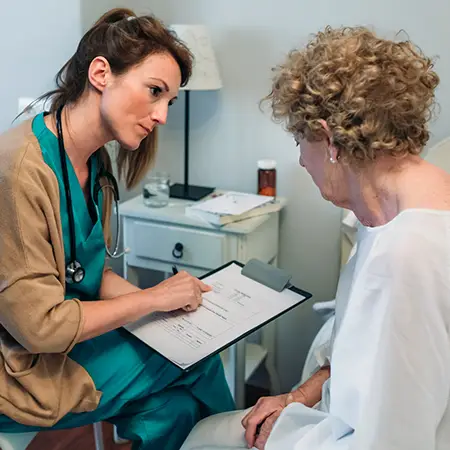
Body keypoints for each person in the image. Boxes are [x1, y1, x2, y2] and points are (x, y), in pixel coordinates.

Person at [180, 26, 450, 450]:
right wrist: (300, 396)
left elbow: (395, 439)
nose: (301, 160)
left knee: (202, 437)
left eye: (299, 139)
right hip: (341, 417)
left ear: (329, 140)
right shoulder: (398, 212)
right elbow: (368, 363)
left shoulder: (406, 254)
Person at [0, 8, 234, 450]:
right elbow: (41, 328)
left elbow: (86, 272)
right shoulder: (19, 171)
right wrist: (152, 300)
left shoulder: (95, 165)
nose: (162, 116)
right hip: (19, 370)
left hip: (66, 347)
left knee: (174, 409)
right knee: (199, 358)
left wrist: (175, 308)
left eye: (169, 101)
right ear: (101, 73)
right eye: (154, 92)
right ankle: (250, 437)